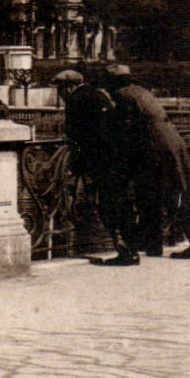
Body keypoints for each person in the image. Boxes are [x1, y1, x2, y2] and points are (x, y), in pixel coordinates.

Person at [106, 64, 190, 259]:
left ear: (114, 81)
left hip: (155, 145)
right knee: (175, 194)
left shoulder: (123, 95)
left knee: (158, 196)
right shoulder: (141, 91)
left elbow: (124, 129)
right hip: (170, 142)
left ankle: (165, 244)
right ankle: (168, 244)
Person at [54, 69, 138, 265]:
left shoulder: (75, 100)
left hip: (101, 162)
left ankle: (123, 251)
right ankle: (131, 248)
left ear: (68, 86)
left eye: (60, 89)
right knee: (123, 202)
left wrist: (78, 165)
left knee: (108, 205)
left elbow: (76, 136)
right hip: (120, 158)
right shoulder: (99, 94)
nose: (60, 95)